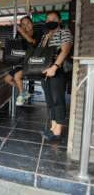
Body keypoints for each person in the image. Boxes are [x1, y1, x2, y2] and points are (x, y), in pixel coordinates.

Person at [40, 11, 73, 141]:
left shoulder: (64, 32)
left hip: (57, 69)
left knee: (57, 99)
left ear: (59, 21)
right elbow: (41, 52)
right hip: (45, 70)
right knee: (49, 100)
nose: (50, 21)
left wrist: (55, 67)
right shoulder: (45, 36)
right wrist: (47, 38)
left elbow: (65, 50)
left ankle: (58, 130)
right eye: (48, 19)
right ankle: (53, 127)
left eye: (53, 19)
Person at [4, 16, 42, 106]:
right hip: (23, 62)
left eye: (28, 23)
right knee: (7, 79)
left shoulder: (38, 32)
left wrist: (22, 32)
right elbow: (16, 46)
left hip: (34, 62)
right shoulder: (20, 34)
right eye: (23, 25)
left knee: (17, 76)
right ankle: (24, 92)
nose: (26, 26)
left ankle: (21, 96)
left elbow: (33, 42)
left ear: (32, 23)